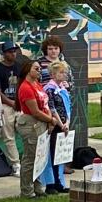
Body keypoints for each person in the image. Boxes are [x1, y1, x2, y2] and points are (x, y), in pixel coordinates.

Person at [15, 58, 59, 199]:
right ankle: (27, 191)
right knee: (30, 158)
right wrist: (51, 120)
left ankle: (38, 187)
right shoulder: (25, 87)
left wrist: (50, 121)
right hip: (30, 123)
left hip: (42, 122)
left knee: (39, 157)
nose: (39, 71)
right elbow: (35, 111)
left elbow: (45, 105)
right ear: (28, 70)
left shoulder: (37, 84)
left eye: (40, 69)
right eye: (36, 68)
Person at [0, 42, 22, 175]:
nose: (13, 54)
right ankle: (15, 164)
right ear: (4, 53)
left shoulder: (18, 67)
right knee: (8, 136)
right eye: (10, 51)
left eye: (14, 51)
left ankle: (28, 161)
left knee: (28, 130)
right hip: (5, 103)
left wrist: (20, 102)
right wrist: (11, 103)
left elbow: (22, 86)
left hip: (19, 103)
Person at [42, 60, 73, 194]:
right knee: (53, 154)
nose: (64, 74)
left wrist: (67, 123)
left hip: (64, 124)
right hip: (55, 125)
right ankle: (51, 183)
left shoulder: (63, 88)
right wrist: (61, 124)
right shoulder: (50, 89)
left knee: (60, 155)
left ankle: (59, 181)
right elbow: (52, 109)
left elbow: (68, 107)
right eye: (61, 72)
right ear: (53, 74)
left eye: (64, 72)